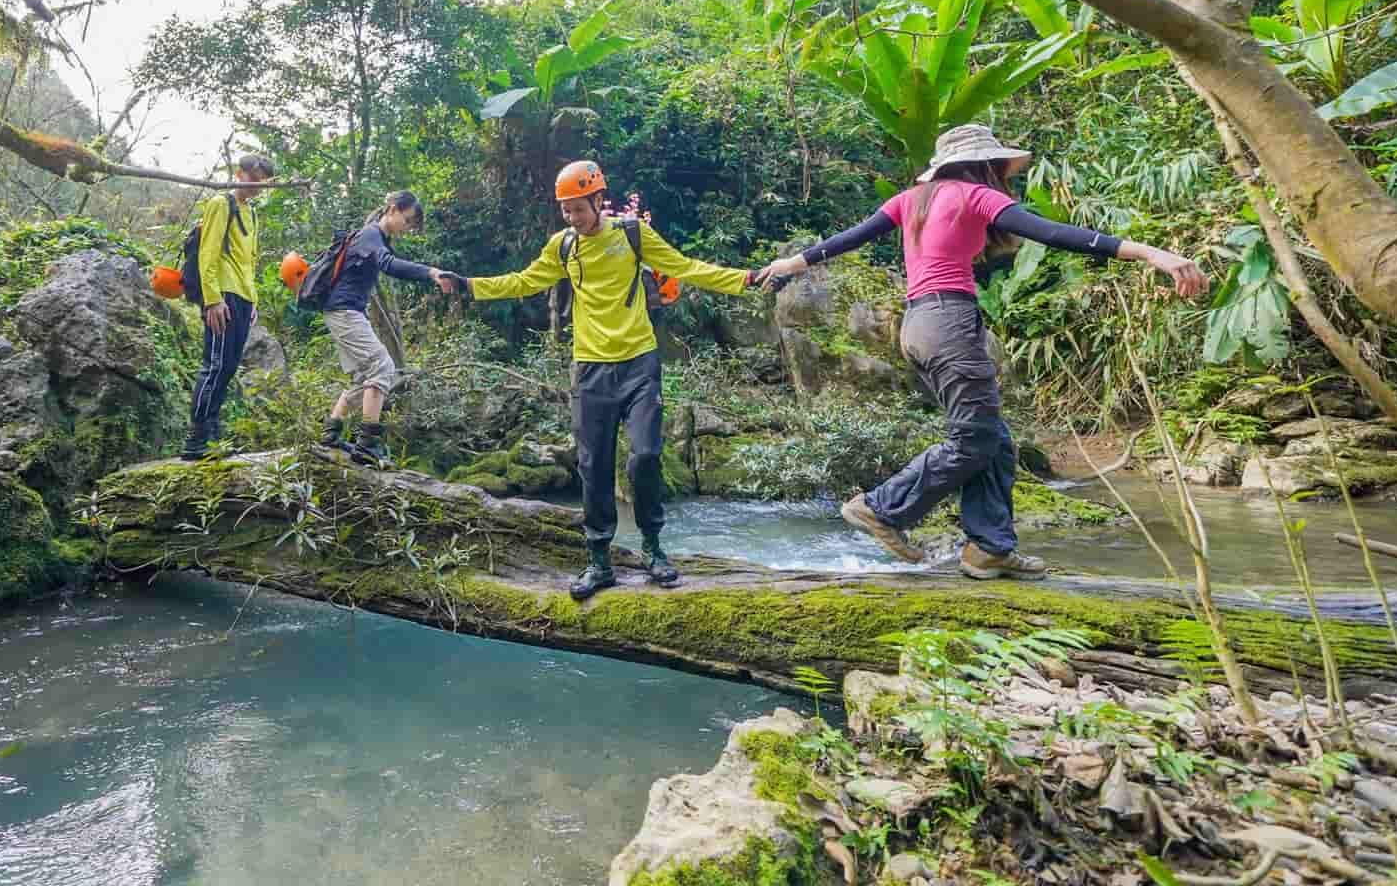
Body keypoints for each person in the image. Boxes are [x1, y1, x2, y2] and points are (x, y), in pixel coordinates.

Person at [756, 124, 1204, 580]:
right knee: (974, 440)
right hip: (948, 323)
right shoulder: (976, 195)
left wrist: (793, 263)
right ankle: (881, 507)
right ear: (986, 165)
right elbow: (1051, 232)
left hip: (918, 326)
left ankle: (988, 548)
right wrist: (1151, 253)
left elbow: (851, 237)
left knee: (995, 439)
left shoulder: (911, 199)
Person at [440, 161, 767, 601]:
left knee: (646, 456)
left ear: (598, 200)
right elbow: (522, 281)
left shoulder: (631, 235)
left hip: (639, 362)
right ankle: (599, 561)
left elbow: (684, 267)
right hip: (591, 368)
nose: (572, 218)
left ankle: (653, 548)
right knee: (593, 468)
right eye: (565, 211)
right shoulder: (563, 247)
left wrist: (745, 279)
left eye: (578, 209)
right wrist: (467, 285)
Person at [320, 190, 451, 464]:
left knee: (363, 378)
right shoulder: (370, 234)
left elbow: (388, 263)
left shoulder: (374, 238)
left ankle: (331, 434)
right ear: (392, 209)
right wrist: (431, 272)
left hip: (345, 311)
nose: (407, 228)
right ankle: (367, 444)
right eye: (407, 220)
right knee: (383, 367)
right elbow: (389, 265)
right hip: (344, 311)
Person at [184, 153, 275, 460]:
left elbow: (250, 260)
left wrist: (253, 301)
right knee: (215, 365)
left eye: (263, 183)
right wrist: (212, 300)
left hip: (242, 296)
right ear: (240, 174)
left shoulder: (251, 212)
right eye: (254, 179)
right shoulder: (221, 204)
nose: (258, 187)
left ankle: (212, 436)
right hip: (222, 294)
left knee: (229, 368)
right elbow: (207, 254)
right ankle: (197, 437)